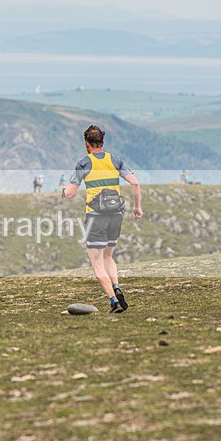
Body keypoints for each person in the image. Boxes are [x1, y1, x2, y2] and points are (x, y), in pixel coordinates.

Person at [61, 125, 143, 313]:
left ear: (86, 144)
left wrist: (63, 192)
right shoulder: (115, 160)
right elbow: (135, 183)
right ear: (102, 143)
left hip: (96, 216)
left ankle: (114, 301)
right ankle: (117, 286)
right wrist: (137, 207)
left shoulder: (84, 163)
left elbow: (71, 192)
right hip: (116, 215)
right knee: (108, 256)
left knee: (97, 262)